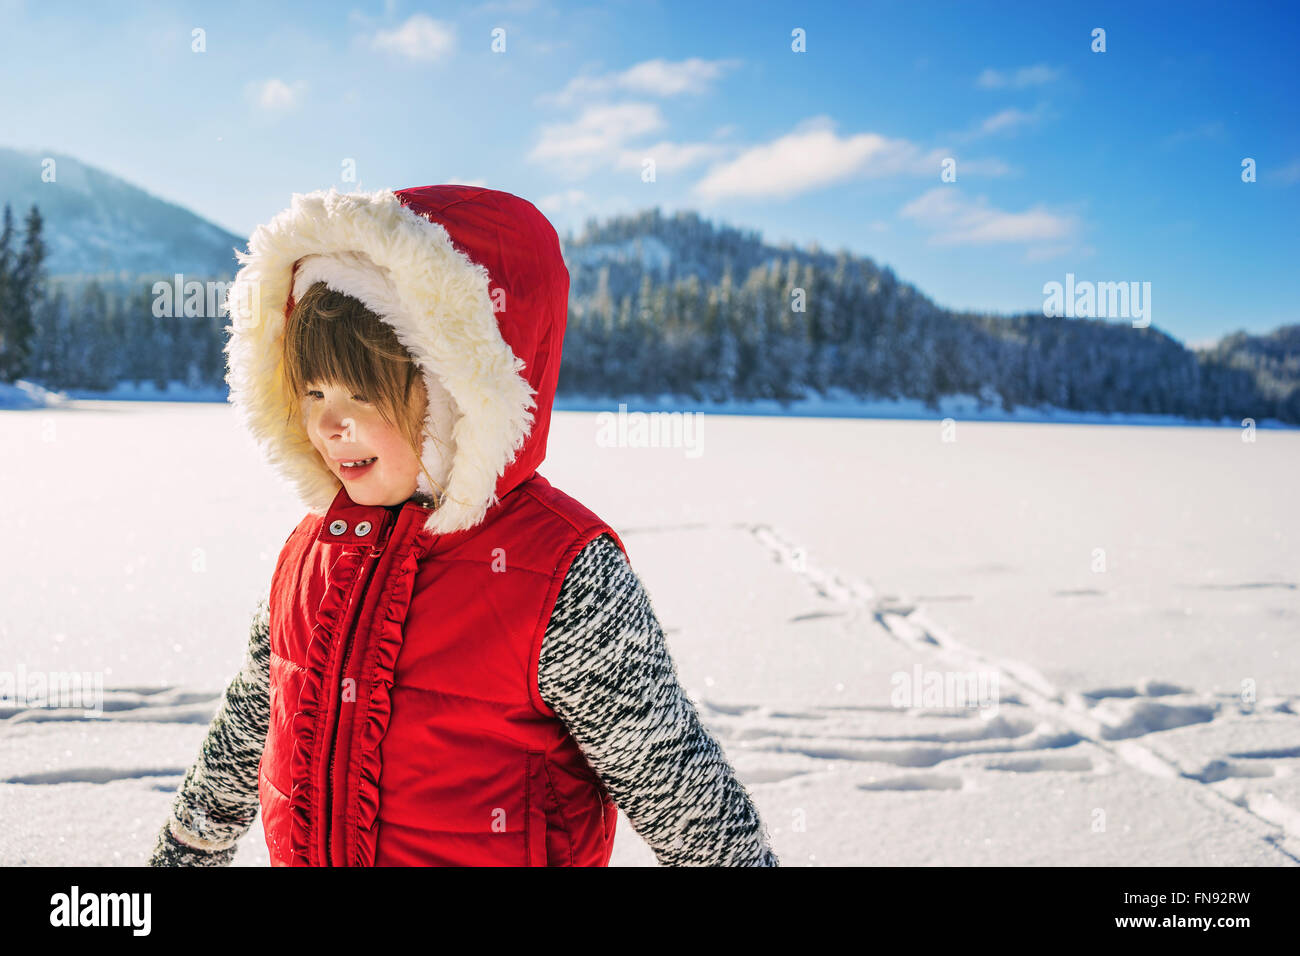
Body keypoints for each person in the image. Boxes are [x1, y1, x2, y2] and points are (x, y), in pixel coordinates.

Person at [148, 184, 779, 867]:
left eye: (364, 392)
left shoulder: (559, 572)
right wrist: (187, 848)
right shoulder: (313, 550)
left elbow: (678, 787)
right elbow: (252, 721)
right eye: (313, 391)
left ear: (457, 394)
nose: (332, 424)